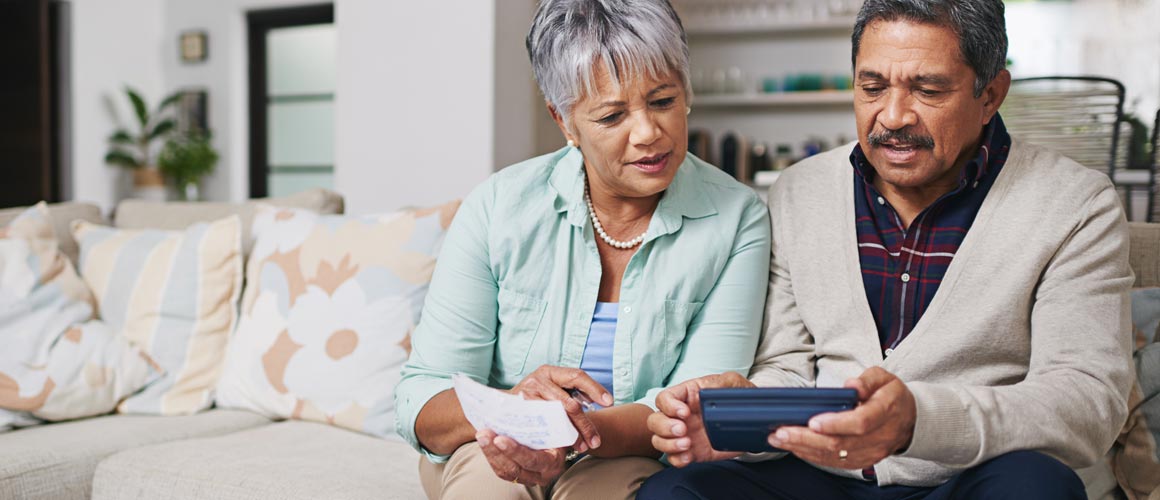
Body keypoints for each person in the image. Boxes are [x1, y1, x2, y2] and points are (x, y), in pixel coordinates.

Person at [641, 0, 1134, 498]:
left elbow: (1086, 404)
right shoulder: (799, 190)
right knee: (674, 491)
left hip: (968, 478)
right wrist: (745, 419)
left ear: (990, 95)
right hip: (821, 478)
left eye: (928, 90)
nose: (893, 117)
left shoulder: (1075, 203)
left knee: (1035, 488)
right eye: (872, 87)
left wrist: (918, 421)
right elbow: (790, 367)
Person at [393, 1, 771, 498]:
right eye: (612, 115)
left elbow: (691, 410)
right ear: (565, 122)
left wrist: (569, 430)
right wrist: (514, 414)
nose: (648, 133)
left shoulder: (738, 218)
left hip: (627, 451)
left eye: (663, 101)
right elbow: (422, 395)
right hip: (492, 444)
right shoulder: (498, 206)